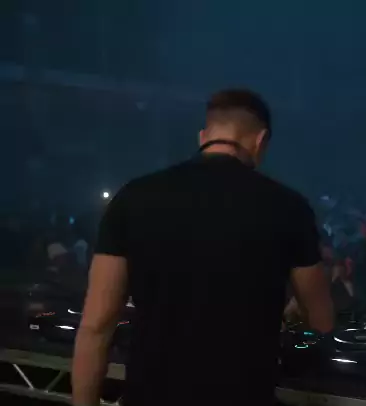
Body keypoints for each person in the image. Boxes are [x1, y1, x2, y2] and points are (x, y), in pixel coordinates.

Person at [72, 89, 334, 406]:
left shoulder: (133, 197)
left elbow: (96, 326)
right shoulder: (289, 207)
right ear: (260, 141)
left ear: (203, 137)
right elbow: (321, 319)